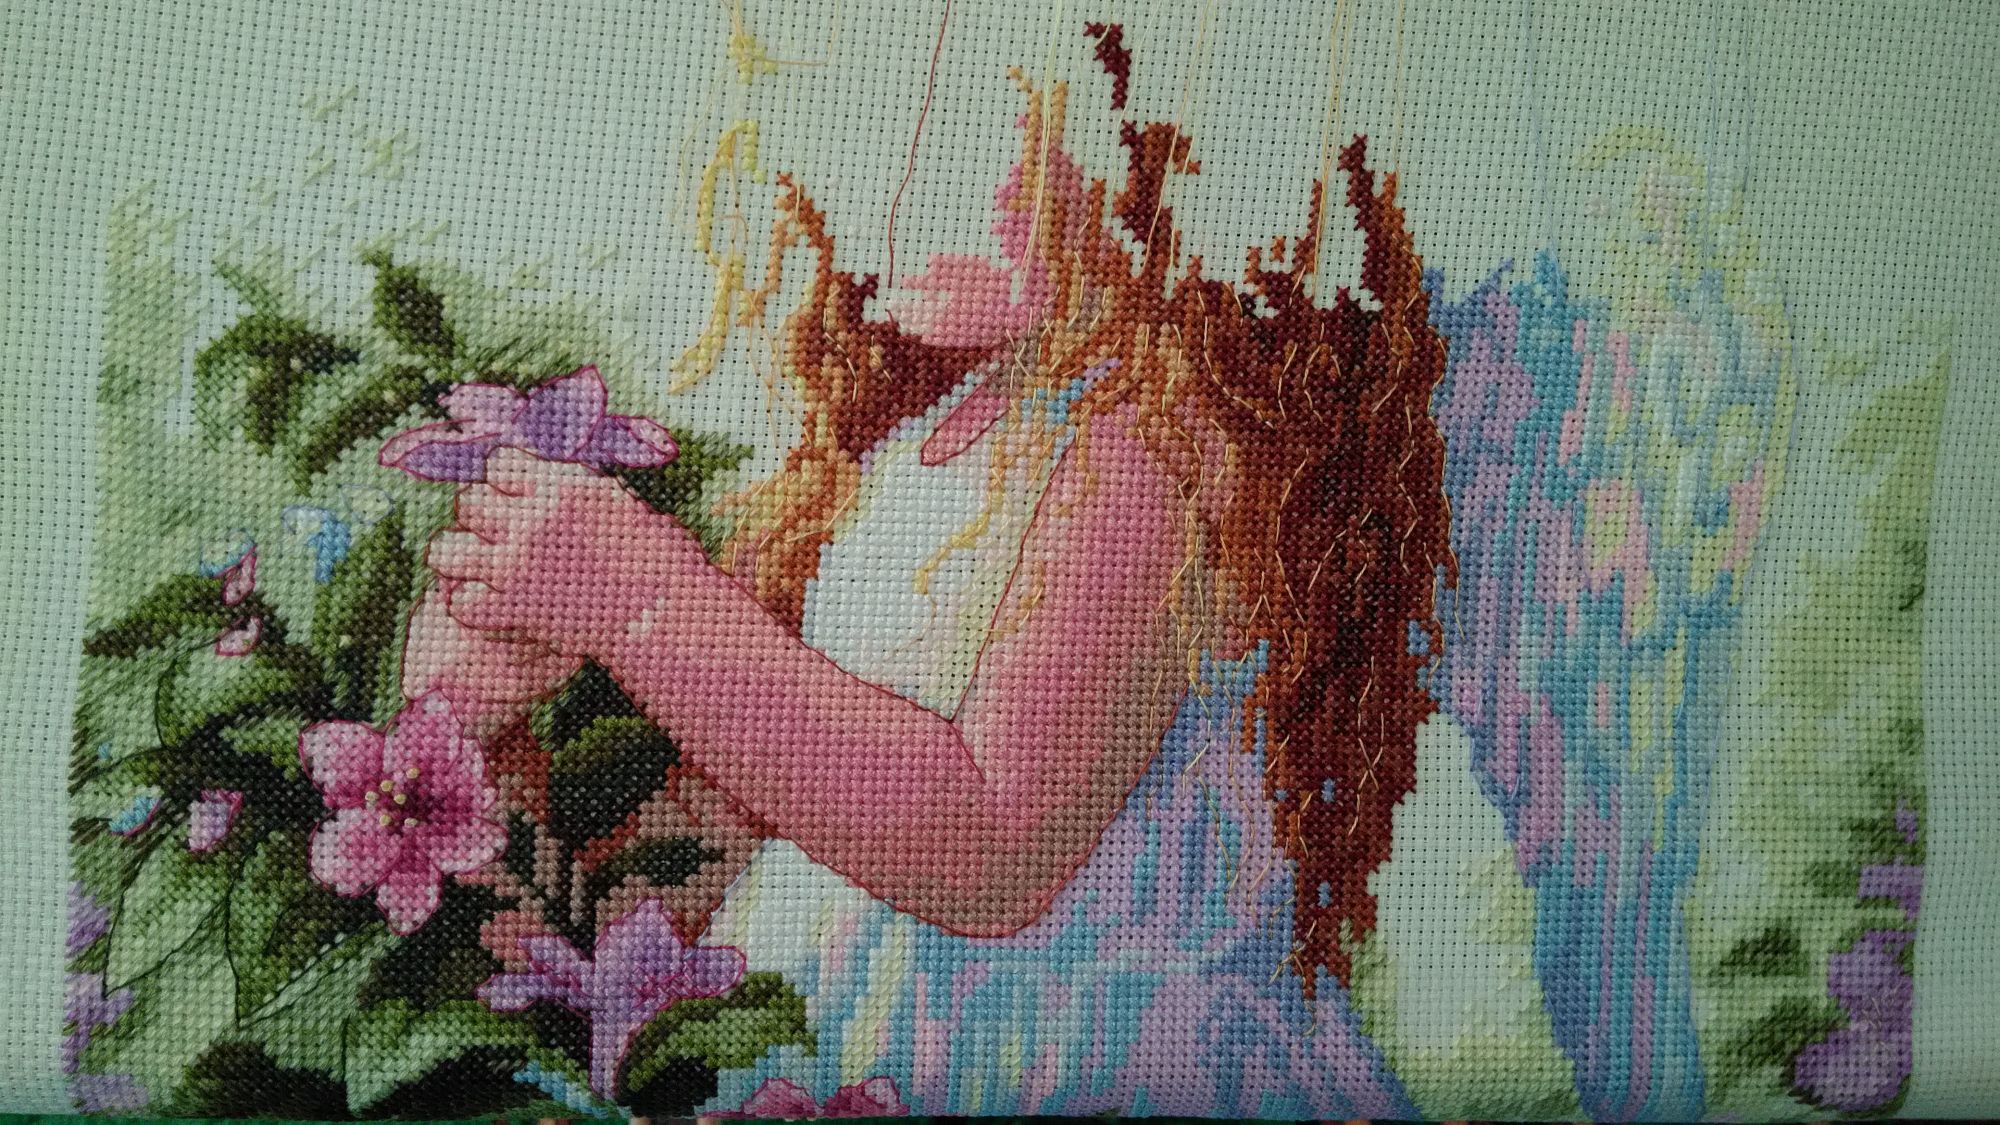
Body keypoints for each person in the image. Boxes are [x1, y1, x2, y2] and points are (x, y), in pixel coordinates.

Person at [404, 79, 1452, 1116]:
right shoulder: (916, 428)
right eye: (914, 90)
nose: (930, 154)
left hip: (1102, 1070)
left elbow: (995, 848)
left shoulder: (1164, 428)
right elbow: (691, 883)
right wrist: (467, 734)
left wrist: (641, 602)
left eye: (1019, 101)